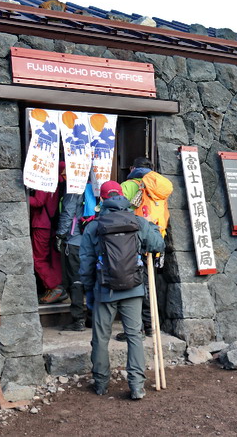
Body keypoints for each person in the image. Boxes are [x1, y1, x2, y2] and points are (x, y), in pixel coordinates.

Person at [80, 181, 165, 400]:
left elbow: (86, 262)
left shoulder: (93, 226)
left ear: (103, 199)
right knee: (135, 336)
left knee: (100, 337)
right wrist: (152, 230)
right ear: (121, 196)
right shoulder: (138, 221)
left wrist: (89, 290)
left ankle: (101, 383)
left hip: (103, 289)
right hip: (133, 287)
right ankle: (136, 386)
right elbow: (157, 245)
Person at [116, 157, 173, 341]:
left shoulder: (128, 185)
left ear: (133, 168)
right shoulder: (160, 189)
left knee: (134, 284)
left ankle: (136, 328)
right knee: (150, 283)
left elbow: (118, 211)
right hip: (156, 242)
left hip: (135, 242)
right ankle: (150, 326)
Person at [56, 174, 97, 331]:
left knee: (76, 281)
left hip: (74, 242)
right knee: (92, 280)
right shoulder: (96, 189)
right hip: (92, 243)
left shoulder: (74, 190)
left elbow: (67, 213)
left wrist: (60, 235)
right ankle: (92, 318)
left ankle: (78, 319)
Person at [30, 165, 65, 304]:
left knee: (38, 258)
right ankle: (56, 286)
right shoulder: (61, 181)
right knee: (53, 257)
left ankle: (54, 287)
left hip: (42, 223)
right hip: (54, 223)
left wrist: (23, 196)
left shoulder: (45, 180)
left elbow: (39, 201)